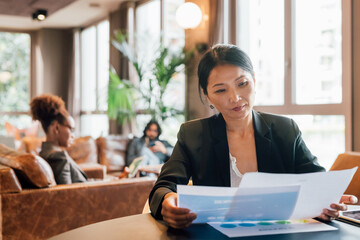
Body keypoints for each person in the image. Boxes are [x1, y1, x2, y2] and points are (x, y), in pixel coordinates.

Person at [148, 44, 358, 229]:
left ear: (254, 81)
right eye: (221, 90)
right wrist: (168, 201)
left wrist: (326, 201)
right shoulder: (193, 134)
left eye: (242, 84)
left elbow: (316, 182)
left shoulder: (285, 129)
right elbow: (164, 186)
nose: (235, 98)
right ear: (207, 95)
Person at [30, 94, 88, 184]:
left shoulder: (44, 153)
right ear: (56, 128)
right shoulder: (59, 158)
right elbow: (65, 193)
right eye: (71, 129)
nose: (73, 135)